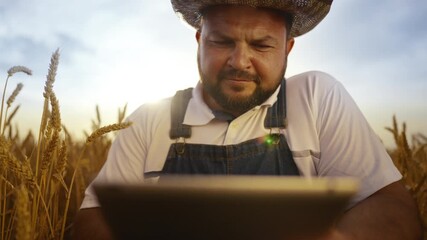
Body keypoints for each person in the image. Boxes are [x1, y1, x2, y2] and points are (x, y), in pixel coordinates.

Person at [72, 0, 422, 239]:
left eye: (261, 45)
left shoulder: (317, 97)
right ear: (199, 41)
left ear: (287, 48)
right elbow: (91, 218)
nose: (240, 61)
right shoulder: (149, 121)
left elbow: (392, 210)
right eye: (222, 41)